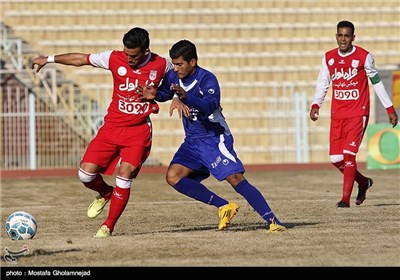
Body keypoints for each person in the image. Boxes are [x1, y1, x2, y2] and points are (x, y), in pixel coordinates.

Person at [31, 27, 173, 237]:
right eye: (126, 53)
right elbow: (81, 59)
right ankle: (105, 193)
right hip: (112, 128)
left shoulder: (162, 64)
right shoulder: (114, 58)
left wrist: (158, 94)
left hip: (138, 132)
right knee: (85, 174)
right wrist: (49, 59)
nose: (128, 58)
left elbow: (172, 89)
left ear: (145, 51)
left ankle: (108, 226)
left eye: (133, 56)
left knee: (124, 176)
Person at [140, 39, 286, 232]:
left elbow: (209, 105)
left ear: (193, 62)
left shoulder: (207, 79)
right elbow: (166, 92)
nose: (175, 68)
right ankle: (224, 206)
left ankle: (274, 222)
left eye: (180, 64)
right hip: (192, 141)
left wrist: (186, 97)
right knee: (173, 176)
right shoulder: (173, 77)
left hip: (214, 138)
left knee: (235, 178)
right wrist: (155, 94)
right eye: (174, 64)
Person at [309, 20, 398, 208]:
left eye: (347, 36)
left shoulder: (364, 57)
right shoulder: (328, 58)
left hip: (358, 112)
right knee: (336, 159)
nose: (343, 39)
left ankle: (344, 199)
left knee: (349, 155)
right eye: (340, 35)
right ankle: (363, 182)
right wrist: (316, 103)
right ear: (336, 37)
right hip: (338, 114)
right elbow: (322, 83)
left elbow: (376, 82)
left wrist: (389, 108)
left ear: (353, 38)